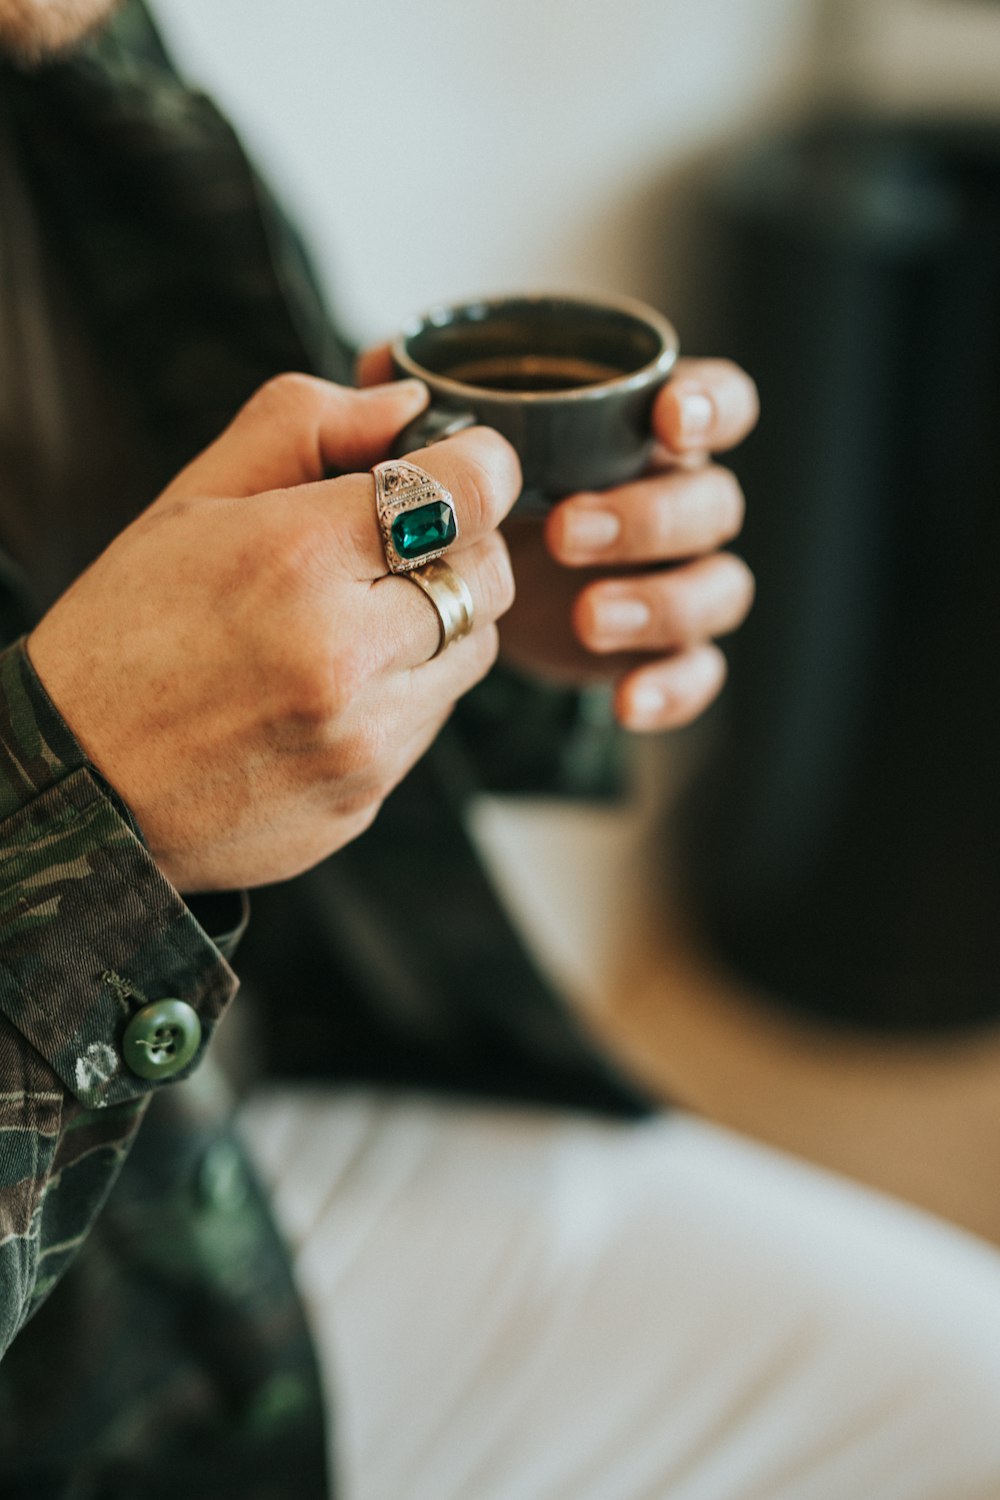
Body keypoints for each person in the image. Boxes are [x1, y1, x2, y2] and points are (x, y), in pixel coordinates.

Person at [3, 5, 1000, 1500]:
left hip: (239, 1138)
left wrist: (497, 622)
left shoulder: (69, 49)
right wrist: (92, 820)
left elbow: (214, 585)